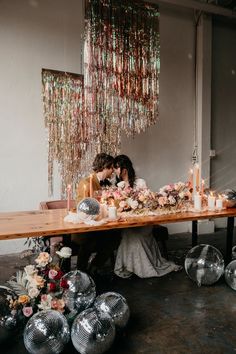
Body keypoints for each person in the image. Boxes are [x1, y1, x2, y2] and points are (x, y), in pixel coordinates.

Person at [113, 154, 182, 278]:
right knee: (127, 234)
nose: (115, 170)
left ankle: (142, 268)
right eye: (114, 167)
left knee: (136, 236)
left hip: (143, 220)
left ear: (124, 168)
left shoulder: (140, 182)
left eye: (117, 167)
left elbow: (147, 203)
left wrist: (135, 202)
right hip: (127, 221)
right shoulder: (117, 185)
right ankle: (129, 266)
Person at [74, 153, 120, 273]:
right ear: (106, 167)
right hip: (86, 227)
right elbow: (82, 208)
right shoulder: (86, 183)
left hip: (100, 224)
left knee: (116, 237)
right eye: (111, 168)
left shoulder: (105, 183)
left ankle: (94, 267)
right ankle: (82, 272)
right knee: (92, 242)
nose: (113, 172)